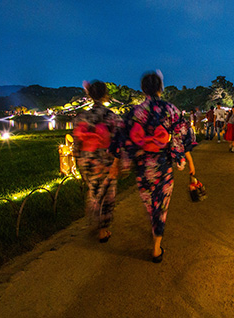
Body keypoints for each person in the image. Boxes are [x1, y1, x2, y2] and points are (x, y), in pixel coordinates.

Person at [122, 71, 195, 263]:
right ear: (161, 88)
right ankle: (156, 247)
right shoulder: (171, 110)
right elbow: (182, 134)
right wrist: (179, 156)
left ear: (143, 89)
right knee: (161, 205)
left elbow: (125, 138)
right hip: (162, 167)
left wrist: (125, 161)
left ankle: (154, 226)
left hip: (142, 167)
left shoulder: (135, 112)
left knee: (149, 203)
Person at [72, 80, 124, 243]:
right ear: (105, 95)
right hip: (106, 159)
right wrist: (118, 162)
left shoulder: (82, 117)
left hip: (87, 159)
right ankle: (103, 229)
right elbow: (119, 142)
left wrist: (77, 160)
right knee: (108, 194)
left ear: (89, 95)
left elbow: (77, 142)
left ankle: (94, 217)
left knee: (94, 189)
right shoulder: (111, 117)